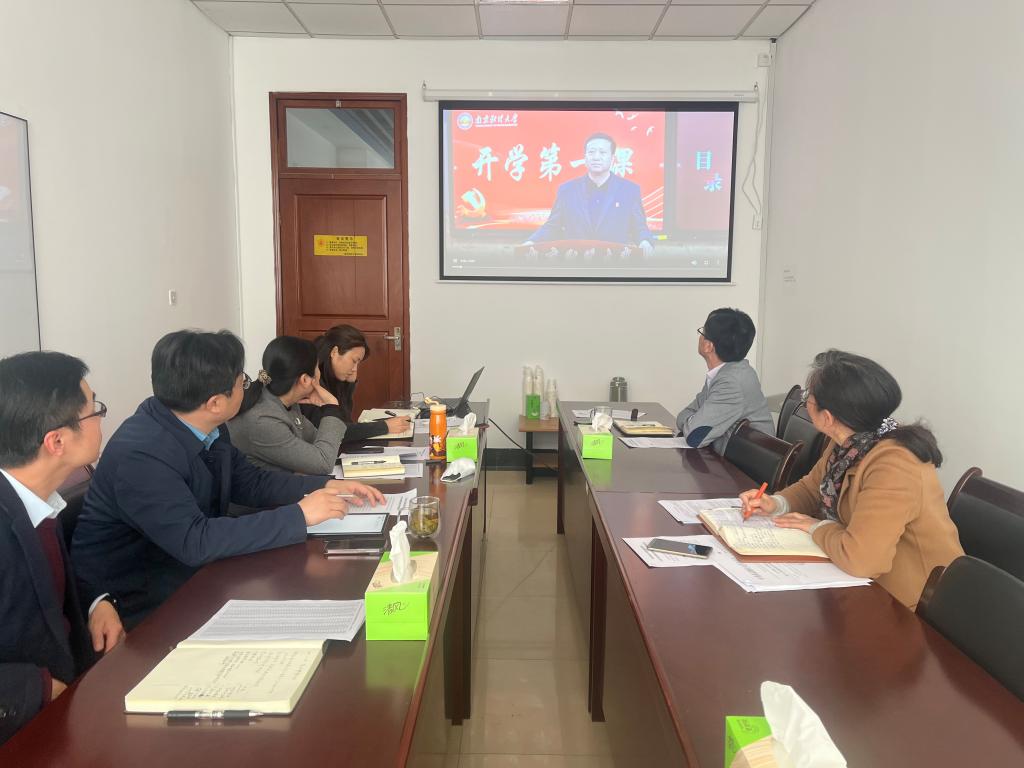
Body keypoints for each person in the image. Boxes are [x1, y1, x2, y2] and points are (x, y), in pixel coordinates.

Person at [72, 330, 384, 630]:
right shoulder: (142, 454)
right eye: (241, 381)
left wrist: (324, 485)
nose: (248, 387)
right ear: (215, 402)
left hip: (197, 575)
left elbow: (251, 482)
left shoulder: (206, 424)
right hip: (144, 603)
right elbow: (195, 540)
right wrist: (299, 515)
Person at [740, 350, 963, 610]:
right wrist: (776, 504)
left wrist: (816, 527)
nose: (805, 401)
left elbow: (863, 560)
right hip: (858, 583)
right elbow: (812, 488)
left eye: (808, 396)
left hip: (913, 605)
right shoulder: (848, 442)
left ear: (828, 417)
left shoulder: (895, 464)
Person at [0, 352, 123, 745]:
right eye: (94, 411)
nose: (102, 419)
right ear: (56, 441)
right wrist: (36, 689)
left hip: (72, 700)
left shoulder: (36, 499)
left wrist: (95, 602)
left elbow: (49, 577)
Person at [229, 336, 346, 475]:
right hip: (266, 488)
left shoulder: (282, 400)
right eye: (317, 368)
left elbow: (319, 442)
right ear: (305, 380)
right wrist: (332, 408)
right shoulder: (263, 419)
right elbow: (323, 463)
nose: (319, 373)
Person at [525, 133, 654, 254]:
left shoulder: (629, 190)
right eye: (591, 152)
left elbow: (639, 227)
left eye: (602, 152)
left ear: (612, 158)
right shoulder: (567, 190)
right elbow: (553, 225)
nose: (596, 157)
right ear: (585, 157)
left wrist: (645, 242)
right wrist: (532, 242)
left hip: (615, 262)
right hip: (576, 262)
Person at [675, 308, 773, 453]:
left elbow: (694, 436)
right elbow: (685, 414)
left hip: (744, 465)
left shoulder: (730, 382)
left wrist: (693, 421)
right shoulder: (727, 372)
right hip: (731, 458)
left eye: (702, 332)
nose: (699, 337)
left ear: (708, 346)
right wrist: (692, 420)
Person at [306, 324, 411, 441]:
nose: (355, 369)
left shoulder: (332, 377)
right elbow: (337, 431)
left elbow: (345, 420)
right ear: (334, 352)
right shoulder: (311, 382)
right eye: (354, 361)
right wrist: (385, 427)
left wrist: (349, 383)